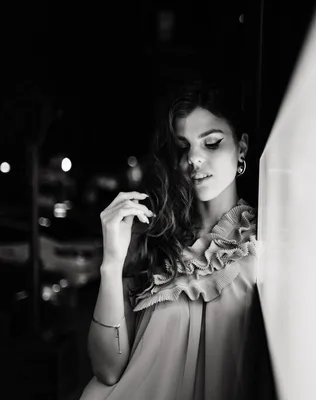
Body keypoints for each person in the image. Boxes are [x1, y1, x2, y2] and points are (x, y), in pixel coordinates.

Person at [79, 81, 271, 399]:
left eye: (211, 144)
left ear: (242, 148)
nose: (194, 158)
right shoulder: (152, 238)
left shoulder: (263, 238)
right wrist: (111, 264)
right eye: (184, 148)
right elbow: (107, 370)